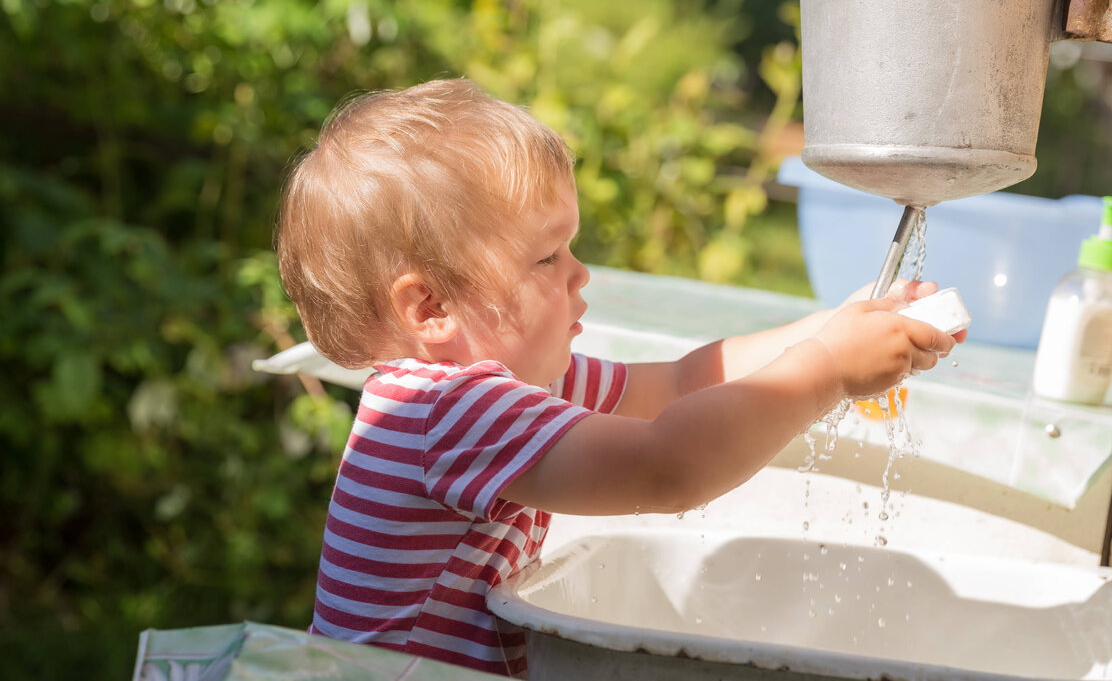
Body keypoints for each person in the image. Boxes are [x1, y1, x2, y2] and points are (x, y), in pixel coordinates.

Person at [275, 78, 964, 677]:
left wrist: (832, 326)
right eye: (547, 258)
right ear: (431, 307)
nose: (580, 274)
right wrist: (830, 371)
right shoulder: (450, 411)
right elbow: (668, 467)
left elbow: (678, 385)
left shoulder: (495, 392)